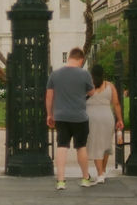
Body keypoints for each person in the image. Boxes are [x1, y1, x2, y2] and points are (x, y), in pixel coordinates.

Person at [45, 47, 95, 190]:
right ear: (81, 60)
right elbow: (91, 91)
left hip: (61, 116)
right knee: (81, 147)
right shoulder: (84, 74)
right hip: (79, 116)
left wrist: (49, 114)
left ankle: (61, 181)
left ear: (69, 58)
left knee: (62, 146)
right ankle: (85, 177)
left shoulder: (55, 74)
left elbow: (49, 96)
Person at [86, 64, 123, 184]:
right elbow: (116, 104)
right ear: (103, 74)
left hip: (92, 117)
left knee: (96, 144)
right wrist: (120, 119)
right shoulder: (110, 85)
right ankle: (103, 171)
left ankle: (100, 173)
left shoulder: (88, 86)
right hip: (107, 117)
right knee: (106, 145)